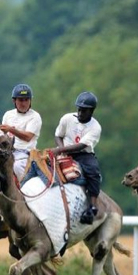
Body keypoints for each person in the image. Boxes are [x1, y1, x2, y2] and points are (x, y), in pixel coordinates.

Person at [53, 91, 102, 224]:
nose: (80, 113)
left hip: (84, 155)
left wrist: (59, 150)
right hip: (64, 151)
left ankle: (92, 205)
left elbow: (80, 146)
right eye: (79, 109)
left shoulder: (95, 127)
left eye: (84, 110)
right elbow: (58, 135)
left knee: (93, 172)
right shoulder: (67, 118)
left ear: (91, 111)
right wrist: (61, 149)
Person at [0, 84, 42, 181]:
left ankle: (24, 189)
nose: (24, 103)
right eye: (21, 100)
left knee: (15, 166)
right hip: (6, 151)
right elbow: (1, 135)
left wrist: (11, 129)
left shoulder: (35, 117)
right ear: (14, 101)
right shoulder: (8, 114)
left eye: (26, 100)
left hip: (24, 153)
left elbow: (28, 137)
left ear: (30, 100)